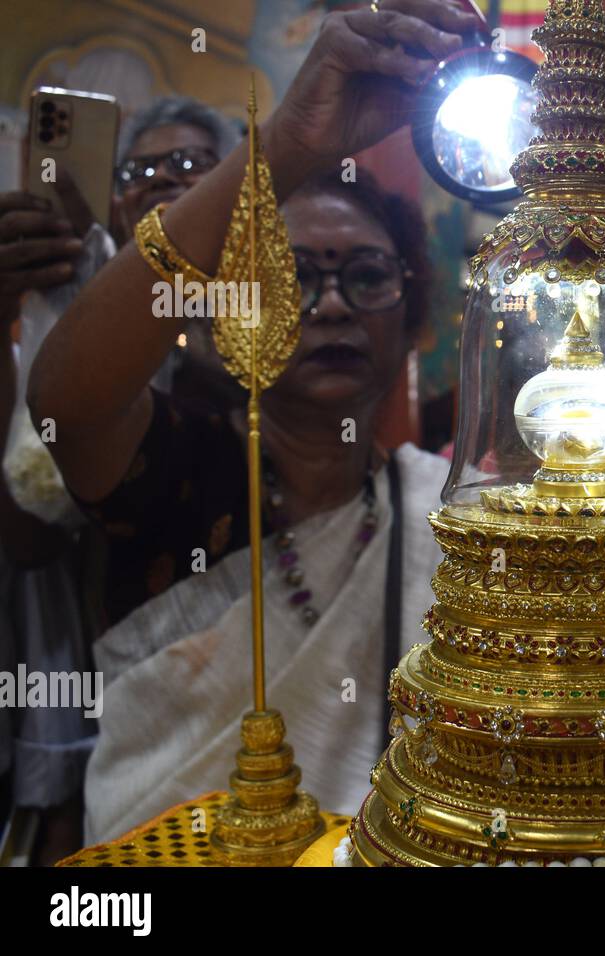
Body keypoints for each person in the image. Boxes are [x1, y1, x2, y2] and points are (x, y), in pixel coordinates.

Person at [26, 0, 481, 842]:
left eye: (369, 276)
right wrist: (288, 147)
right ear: (224, 310)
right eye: (298, 275)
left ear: (412, 312)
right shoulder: (176, 469)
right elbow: (65, 404)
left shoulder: (450, 511)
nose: (334, 305)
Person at [0, 95, 237, 862]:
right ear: (116, 198)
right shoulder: (74, 317)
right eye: (141, 169)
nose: (166, 178)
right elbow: (29, 530)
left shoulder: (271, 306)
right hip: (96, 652)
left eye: (194, 164)